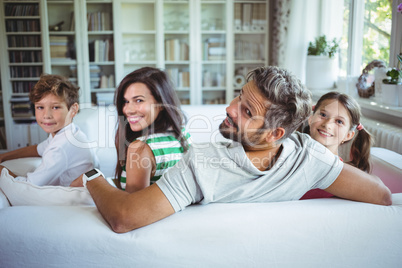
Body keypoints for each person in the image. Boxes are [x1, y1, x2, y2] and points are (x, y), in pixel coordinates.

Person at [71, 66, 391, 233]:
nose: (230, 107)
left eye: (247, 111)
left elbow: (124, 217)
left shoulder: (204, 162)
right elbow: (381, 196)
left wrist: (91, 176)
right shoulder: (310, 155)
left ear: (275, 133)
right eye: (239, 95)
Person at [72, 67, 191, 193]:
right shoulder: (183, 134)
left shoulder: (140, 148)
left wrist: (95, 181)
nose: (128, 110)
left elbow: (131, 207)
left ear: (161, 103)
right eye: (126, 101)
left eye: (139, 100)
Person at [0, 74, 98, 186]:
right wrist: (3, 156)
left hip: (69, 200)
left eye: (55, 107)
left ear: (73, 110)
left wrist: (2, 171)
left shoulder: (61, 147)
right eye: (40, 107)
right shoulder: (69, 132)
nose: (46, 115)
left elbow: (29, 186)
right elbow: (38, 149)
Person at [300, 91, 373, 199]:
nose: (327, 124)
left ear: (348, 135)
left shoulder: (340, 174)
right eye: (323, 115)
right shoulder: (292, 153)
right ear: (311, 119)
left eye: (339, 121)